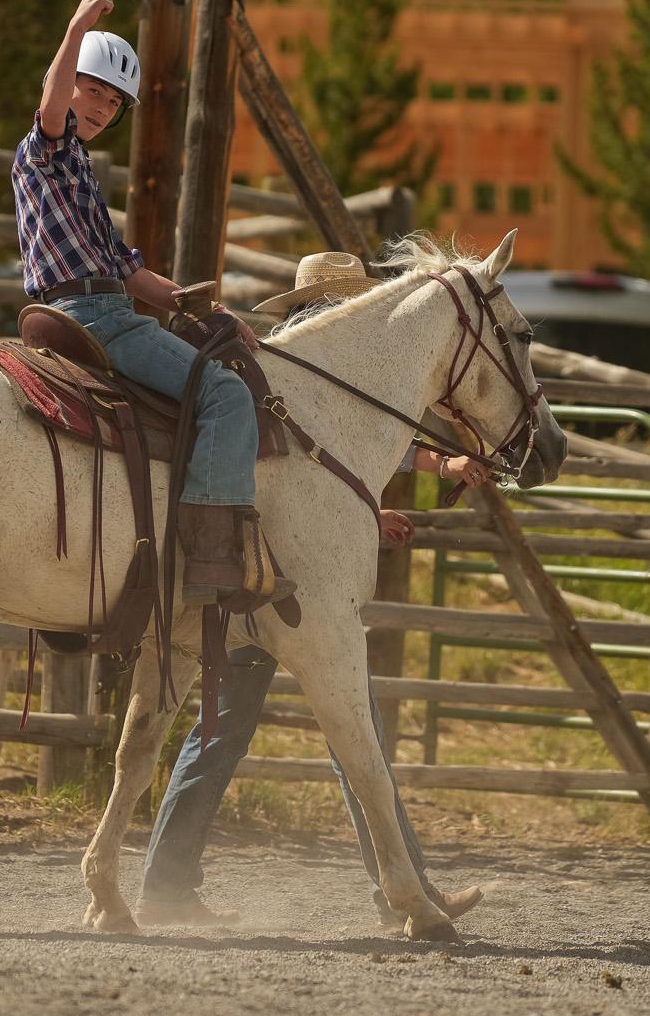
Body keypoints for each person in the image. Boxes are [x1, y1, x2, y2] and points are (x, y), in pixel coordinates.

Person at [136, 252, 491, 930]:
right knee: (345, 734)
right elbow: (294, 484)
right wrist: (369, 512)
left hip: (258, 577)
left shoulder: (292, 377)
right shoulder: (284, 377)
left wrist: (431, 470)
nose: (338, 313)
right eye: (332, 302)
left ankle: (168, 884)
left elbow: (343, 460)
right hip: (276, 580)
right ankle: (403, 889)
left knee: (228, 734)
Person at [12, 0, 287, 609]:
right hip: (97, 318)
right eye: (93, 90)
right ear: (67, 85)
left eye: (114, 102)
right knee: (226, 394)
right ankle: (212, 555)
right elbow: (50, 104)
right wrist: (78, 24)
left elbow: (128, 271)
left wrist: (204, 307)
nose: (102, 107)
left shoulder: (78, 170)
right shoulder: (46, 149)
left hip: (97, 304)